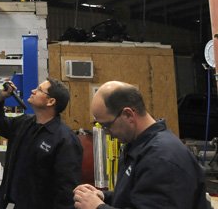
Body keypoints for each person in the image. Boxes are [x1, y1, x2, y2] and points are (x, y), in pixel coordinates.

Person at [73, 81, 210, 209]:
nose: (107, 133)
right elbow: (137, 196)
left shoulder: (161, 158)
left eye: (107, 125)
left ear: (128, 114)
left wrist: (98, 207)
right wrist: (103, 196)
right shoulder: (137, 147)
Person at [0, 78, 83, 209]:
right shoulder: (23, 123)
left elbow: (66, 190)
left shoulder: (65, 140)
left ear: (51, 101)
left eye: (39, 90)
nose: (33, 91)